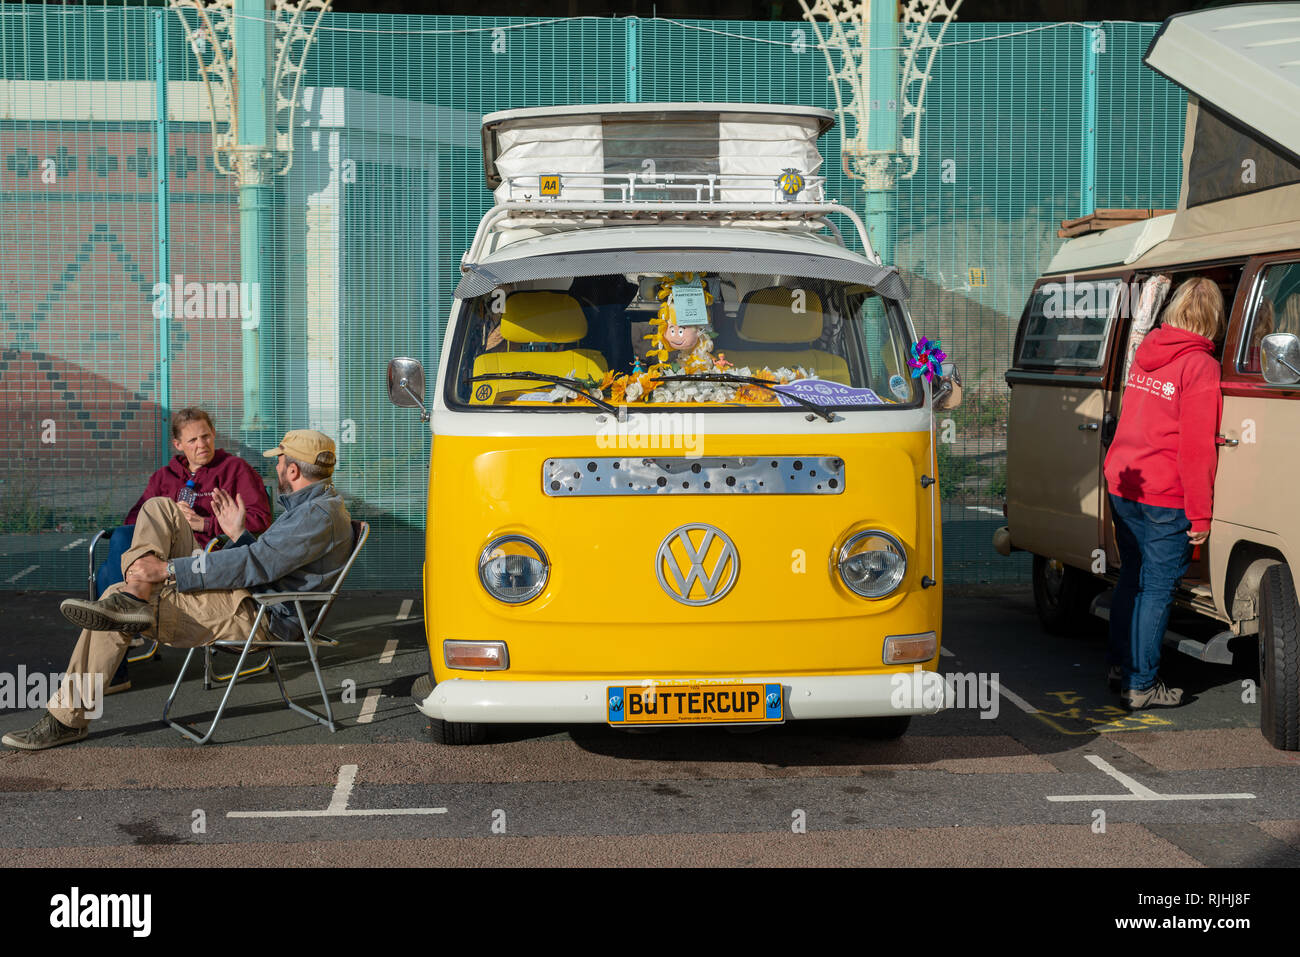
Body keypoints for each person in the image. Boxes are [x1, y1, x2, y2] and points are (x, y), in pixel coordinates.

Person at [2, 430, 352, 751]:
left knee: (112, 602)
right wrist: (238, 534)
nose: (275, 465)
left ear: (293, 471)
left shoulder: (317, 515)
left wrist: (169, 568)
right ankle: (135, 593)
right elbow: (267, 562)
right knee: (161, 508)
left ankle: (67, 719)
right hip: (252, 596)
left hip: (260, 614)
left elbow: (256, 565)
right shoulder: (315, 508)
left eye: (279, 459)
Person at [1103, 277, 1225, 710]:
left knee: (1132, 578)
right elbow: (1196, 448)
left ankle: (1121, 666)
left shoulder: (1146, 352)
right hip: (1163, 493)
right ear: (1215, 318)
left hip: (1124, 480)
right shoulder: (1201, 367)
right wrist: (1201, 515)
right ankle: (1142, 683)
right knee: (1155, 589)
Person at [94, 407, 271, 693]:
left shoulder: (235, 469)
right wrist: (167, 518)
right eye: (193, 441)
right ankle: (129, 612)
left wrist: (204, 523)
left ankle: (117, 664)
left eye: (206, 436)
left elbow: (260, 519)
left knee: (108, 574)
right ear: (178, 445)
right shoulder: (164, 477)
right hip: (160, 554)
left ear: (214, 435)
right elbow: (133, 521)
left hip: (204, 556)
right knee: (123, 537)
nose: (202, 445)